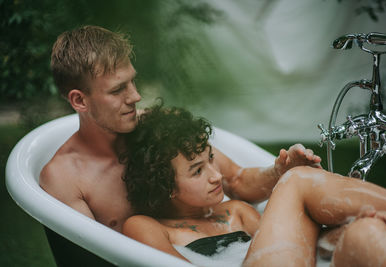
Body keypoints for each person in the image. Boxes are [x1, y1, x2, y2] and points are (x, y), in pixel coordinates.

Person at [39, 25, 321, 232]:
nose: (135, 97)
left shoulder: (159, 129)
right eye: (118, 90)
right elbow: (92, 253)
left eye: (132, 82)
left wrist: (280, 170)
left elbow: (233, 181)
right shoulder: (65, 178)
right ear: (79, 100)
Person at [121, 104, 386, 267]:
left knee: (366, 232)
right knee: (296, 180)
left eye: (211, 160)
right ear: (164, 185)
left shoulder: (236, 212)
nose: (216, 175)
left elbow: (299, 245)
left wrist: (347, 228)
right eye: (197, 171)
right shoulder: (146, 226)